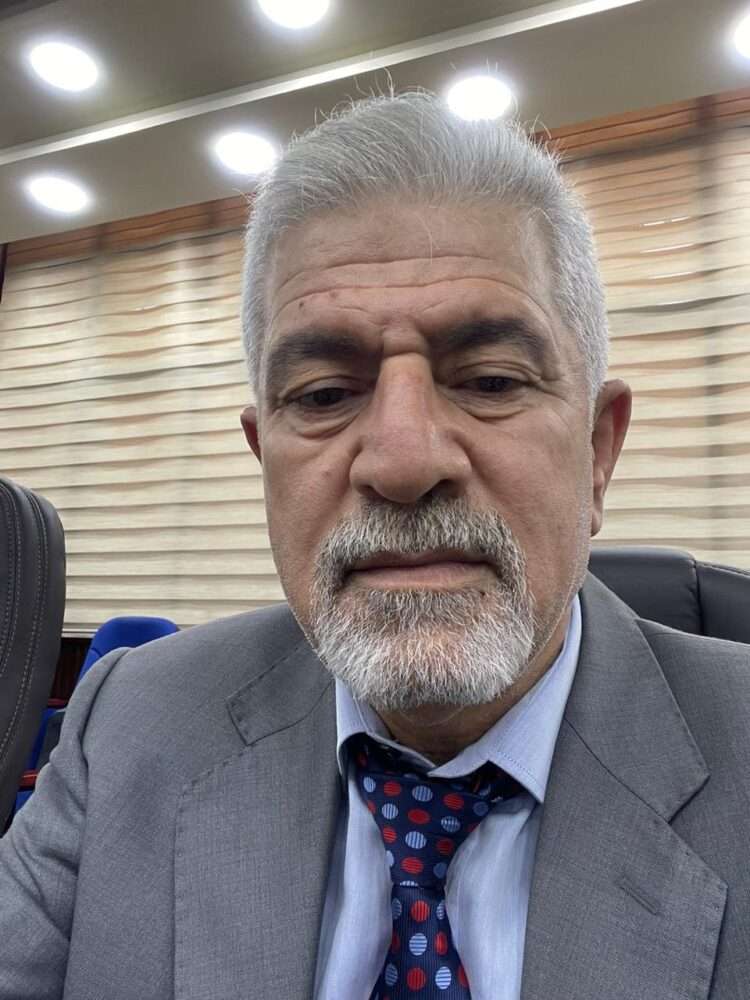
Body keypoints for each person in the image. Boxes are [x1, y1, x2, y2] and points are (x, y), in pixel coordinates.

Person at [0, 91, 748, 1000]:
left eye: (491, 380)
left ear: (597, 452)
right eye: (323, 395)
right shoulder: (129, 723)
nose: (402, 462)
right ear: (265, 460)